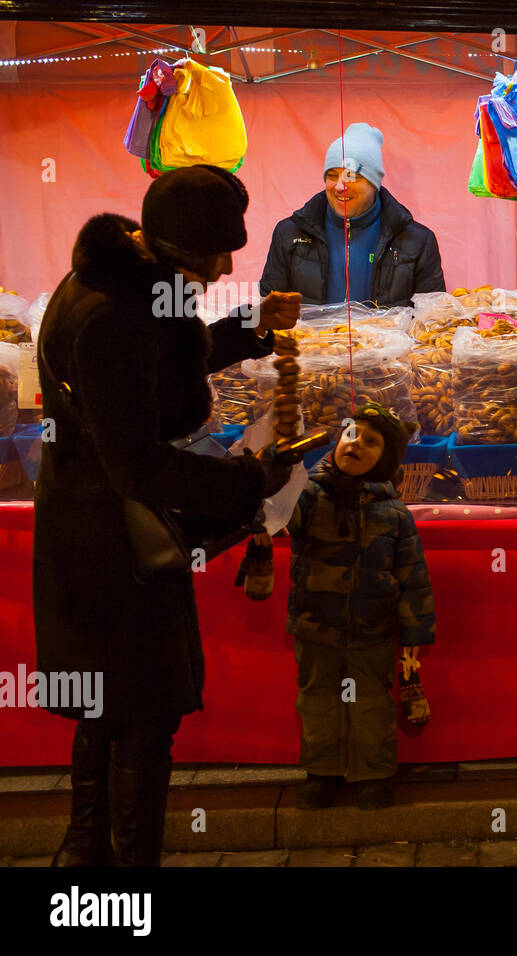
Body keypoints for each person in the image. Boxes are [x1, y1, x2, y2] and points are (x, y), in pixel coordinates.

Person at [34, 165, 301, 867]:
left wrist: (248, 327)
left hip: (91, 536)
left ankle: (87, 859)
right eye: (219, 256)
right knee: (144, 716)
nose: (228, 268)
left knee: (105, 709)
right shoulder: (114, 318)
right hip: (115, 549)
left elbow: (164, 363)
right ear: (184, 254)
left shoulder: (115, 286)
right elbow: (137, 464)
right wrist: (249, 482)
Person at [281, 401, 436, 810]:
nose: (357, 445)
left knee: (371, 703)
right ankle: (322, 771)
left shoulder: (395, 514)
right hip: (317, 625)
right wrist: (277, 477)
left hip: (374, 630)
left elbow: (412, 575)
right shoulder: (310, 496)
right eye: (351, 435)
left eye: (371, 442)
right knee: (317, 700)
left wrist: (415, 632)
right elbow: (283, 519)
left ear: (383, 461)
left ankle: (374, 773)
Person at [259, 122, 446, 307]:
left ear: (374, 183)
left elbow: (433, 320)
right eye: (332, 175)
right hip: (310, 338)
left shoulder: (418, 240)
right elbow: (269, 313)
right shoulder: (289, 234)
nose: (340, 186)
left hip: (388, 339)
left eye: (351, 176)